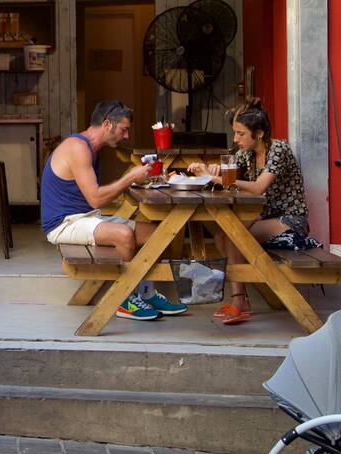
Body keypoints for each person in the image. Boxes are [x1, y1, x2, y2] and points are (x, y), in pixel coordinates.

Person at [40, 100, 185, 320]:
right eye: (124, 129)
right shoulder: (78, 148)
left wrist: (137, 181)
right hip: (64, 223)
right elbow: (96, 198)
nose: (126, 136)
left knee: (158, 236)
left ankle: (145, 293)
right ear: (107, 124)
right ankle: (124, 300)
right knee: (124, 235)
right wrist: (129, 178)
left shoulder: (90, 147)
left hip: (85, 218)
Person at [189, 101, 317, 324]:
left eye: (241, 134)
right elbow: (225, 176)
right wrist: (211, 170)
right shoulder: (245, 154)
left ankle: (240, 300)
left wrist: (216, 178)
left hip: (289, 219)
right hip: (263, 217)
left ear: (259, 134)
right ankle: (241, 297)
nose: (236, 139)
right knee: (222, 236)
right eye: (235, 133)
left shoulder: (278, 149)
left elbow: (258, 187)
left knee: (233, 236)